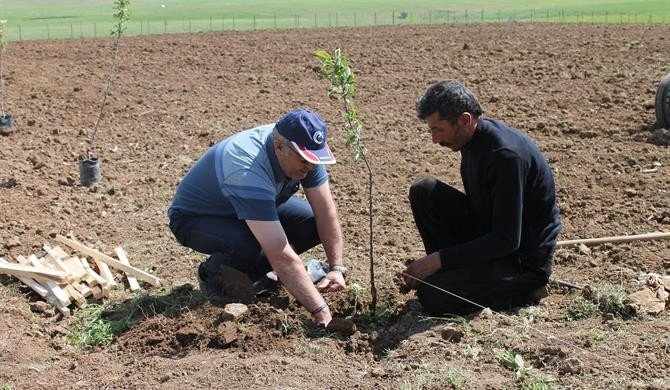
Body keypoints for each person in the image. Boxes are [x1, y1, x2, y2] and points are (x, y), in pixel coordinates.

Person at [168, 109, 347, 326]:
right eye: (304, 160)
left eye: (314, 160)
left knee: (311, 224)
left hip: (249, 206)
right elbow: (279, 252)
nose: (310, 168)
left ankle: (255, 275)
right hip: (196, 218)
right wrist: (321, 310)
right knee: (249, 244)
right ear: (279, 147)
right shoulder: (247, 169)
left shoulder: (302, 153)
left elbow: (325, 213)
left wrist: (336, 269)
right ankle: (213, 275)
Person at [403, 80, 561, 315]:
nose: (435, 140)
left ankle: (525, 290)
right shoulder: (469, 140)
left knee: (433, 296)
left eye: (439, 129)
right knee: (424, 191)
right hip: (493, 235)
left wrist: (437, 260)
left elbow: (507, 240)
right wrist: (442, 260)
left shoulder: (505, 157)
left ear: (465, 120)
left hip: (522, 262)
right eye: (431, 130)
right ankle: (450, 276)